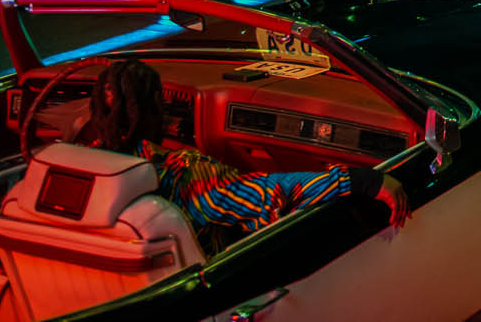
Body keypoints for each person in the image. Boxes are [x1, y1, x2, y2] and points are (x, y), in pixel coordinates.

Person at [78, 59, 407, 239]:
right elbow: (272, 193)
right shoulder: (183, 173)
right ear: (155, 109)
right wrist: (364, 181)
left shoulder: (79, 164)